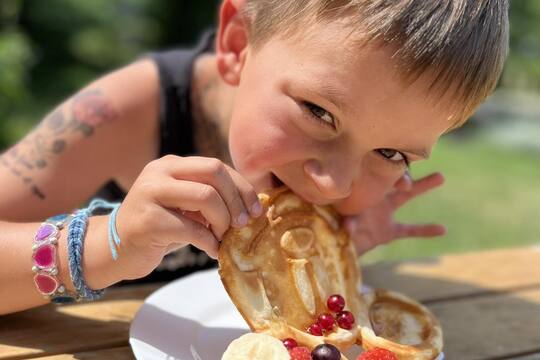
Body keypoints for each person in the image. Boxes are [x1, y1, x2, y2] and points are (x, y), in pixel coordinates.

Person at [0, 0, 508, 314]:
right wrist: (109, 243)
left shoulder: (325, 180)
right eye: (318, 112)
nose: (332, 184)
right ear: (238, 45)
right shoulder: (122, 114)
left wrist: (339, 256)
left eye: (392, 152)